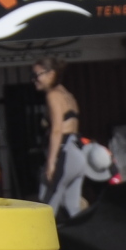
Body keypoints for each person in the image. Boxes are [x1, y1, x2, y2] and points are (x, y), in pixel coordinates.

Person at [33, 55, 78, 199]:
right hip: (76, 151)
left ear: (51, 74)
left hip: (63, 152)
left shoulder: (53, 95)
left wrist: (51, 163)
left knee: (47, 202)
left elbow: (57, 130)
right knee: (72, 204)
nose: (34, 79)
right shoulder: (68, 95)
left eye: (37, 75)